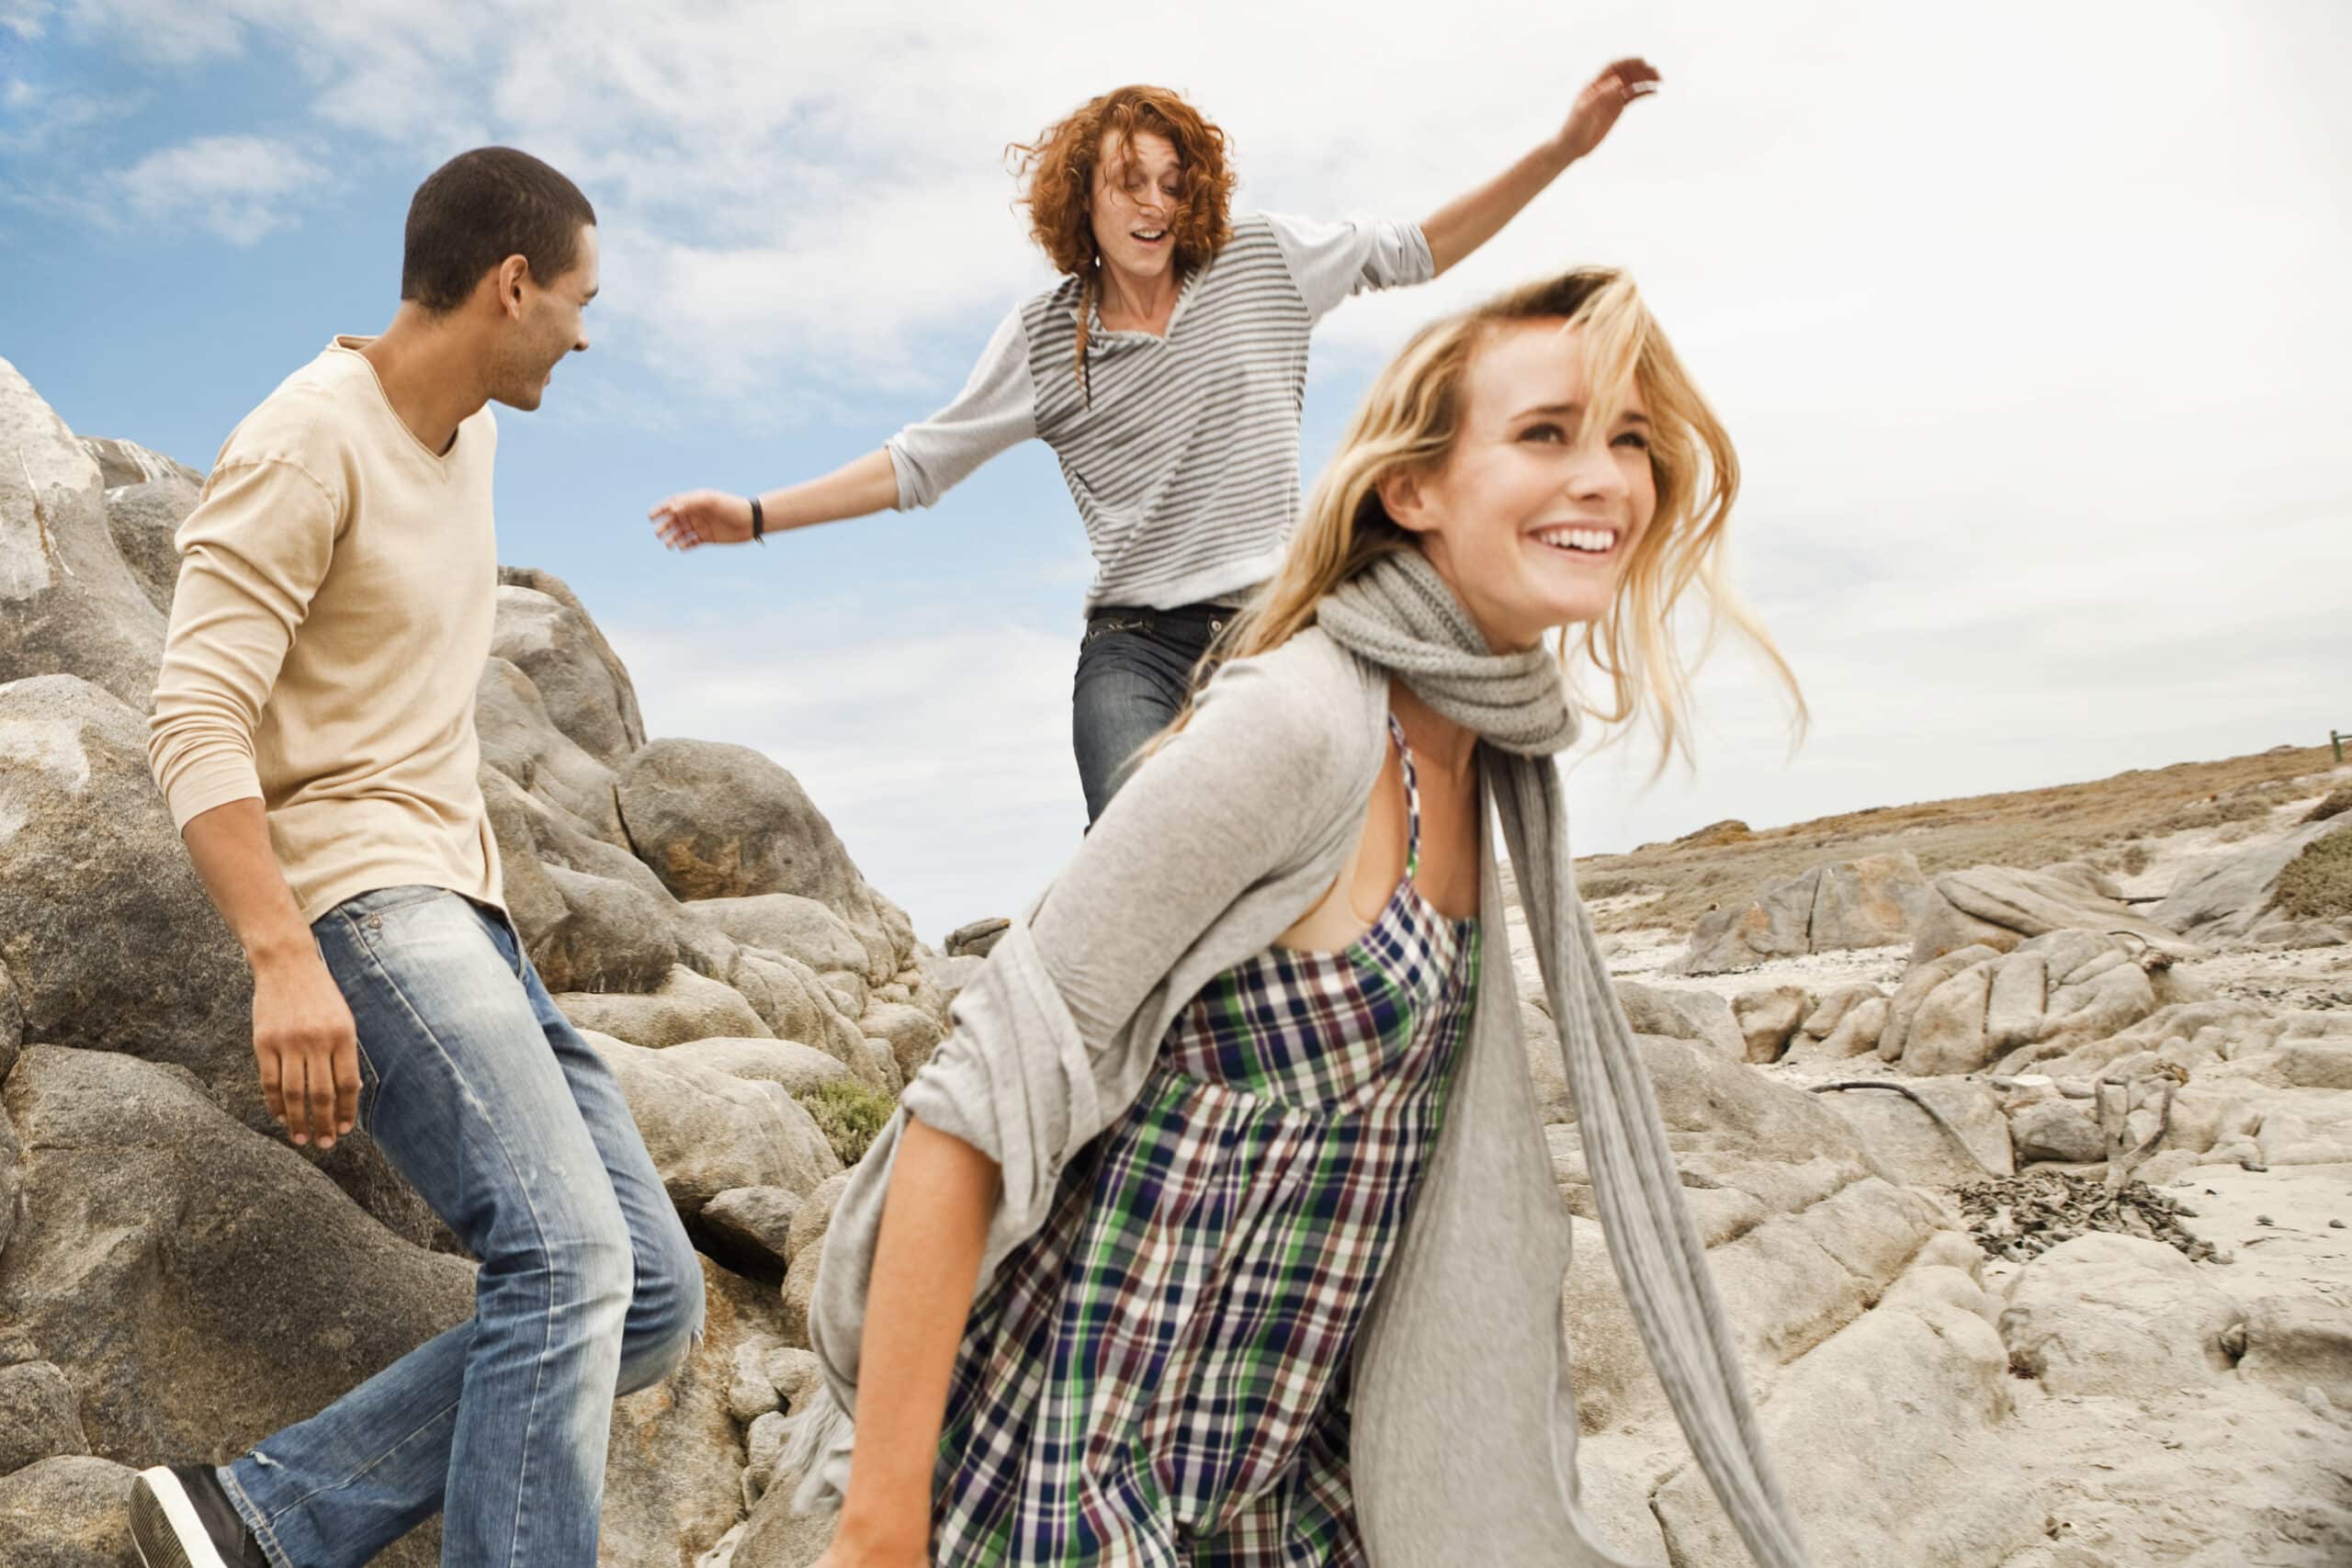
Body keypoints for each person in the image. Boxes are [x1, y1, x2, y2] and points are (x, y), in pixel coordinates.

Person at [787, 268, 1812, 1566]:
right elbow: (969, 1108)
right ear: (1414, 486)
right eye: (1546, 432)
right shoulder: (1296, 724)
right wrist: (879, 1532)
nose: (1606, 477)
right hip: (1071, 1476)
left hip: (1278, 1486)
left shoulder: (1484, 754)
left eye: (1628, 439)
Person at [131, 147, 703, 1568]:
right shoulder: (303, 438)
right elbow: (191, 714)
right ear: (513, 286)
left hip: (466, 904)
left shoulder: (473, 429)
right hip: (361, 904)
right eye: (579, 299)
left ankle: (261, 1513)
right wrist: (282, 955)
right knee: (567, 1257)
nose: (586, 330)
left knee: (647, 1293)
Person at [648, 62, 1661, 822]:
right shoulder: (1046, 336)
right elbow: (921, 463)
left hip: (1277, 633)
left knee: (1312, 865)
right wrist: (753, 516)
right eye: (1129, 181)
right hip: (1132, 650)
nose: (1153, 204)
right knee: (1136, 863)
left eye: (1173, 183)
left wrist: (1561, 149)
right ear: (1081, 196)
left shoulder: (1263, 264)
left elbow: (1418, 249)